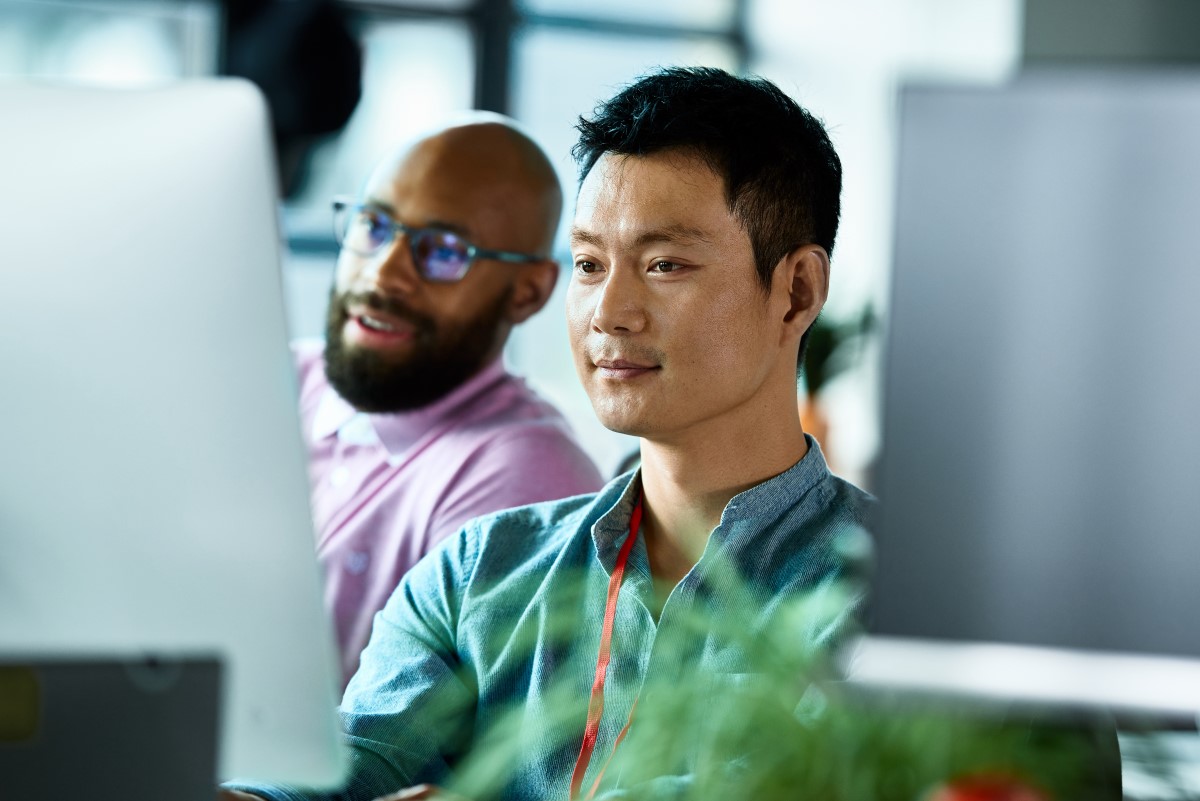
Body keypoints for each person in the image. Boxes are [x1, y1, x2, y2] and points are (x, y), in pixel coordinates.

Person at [224, 66, 872, 801]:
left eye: (664, 265)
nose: (609, 311)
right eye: (590, 264)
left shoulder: (888, 599)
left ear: (797, 291)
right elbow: (345, 765)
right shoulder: (476, 569)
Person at [298, 116, 604, 687]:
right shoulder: (281, 378)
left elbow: (412, 733)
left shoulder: (523, 475)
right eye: (374, 225)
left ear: (528, 292)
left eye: (443, 251)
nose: (383, 273)